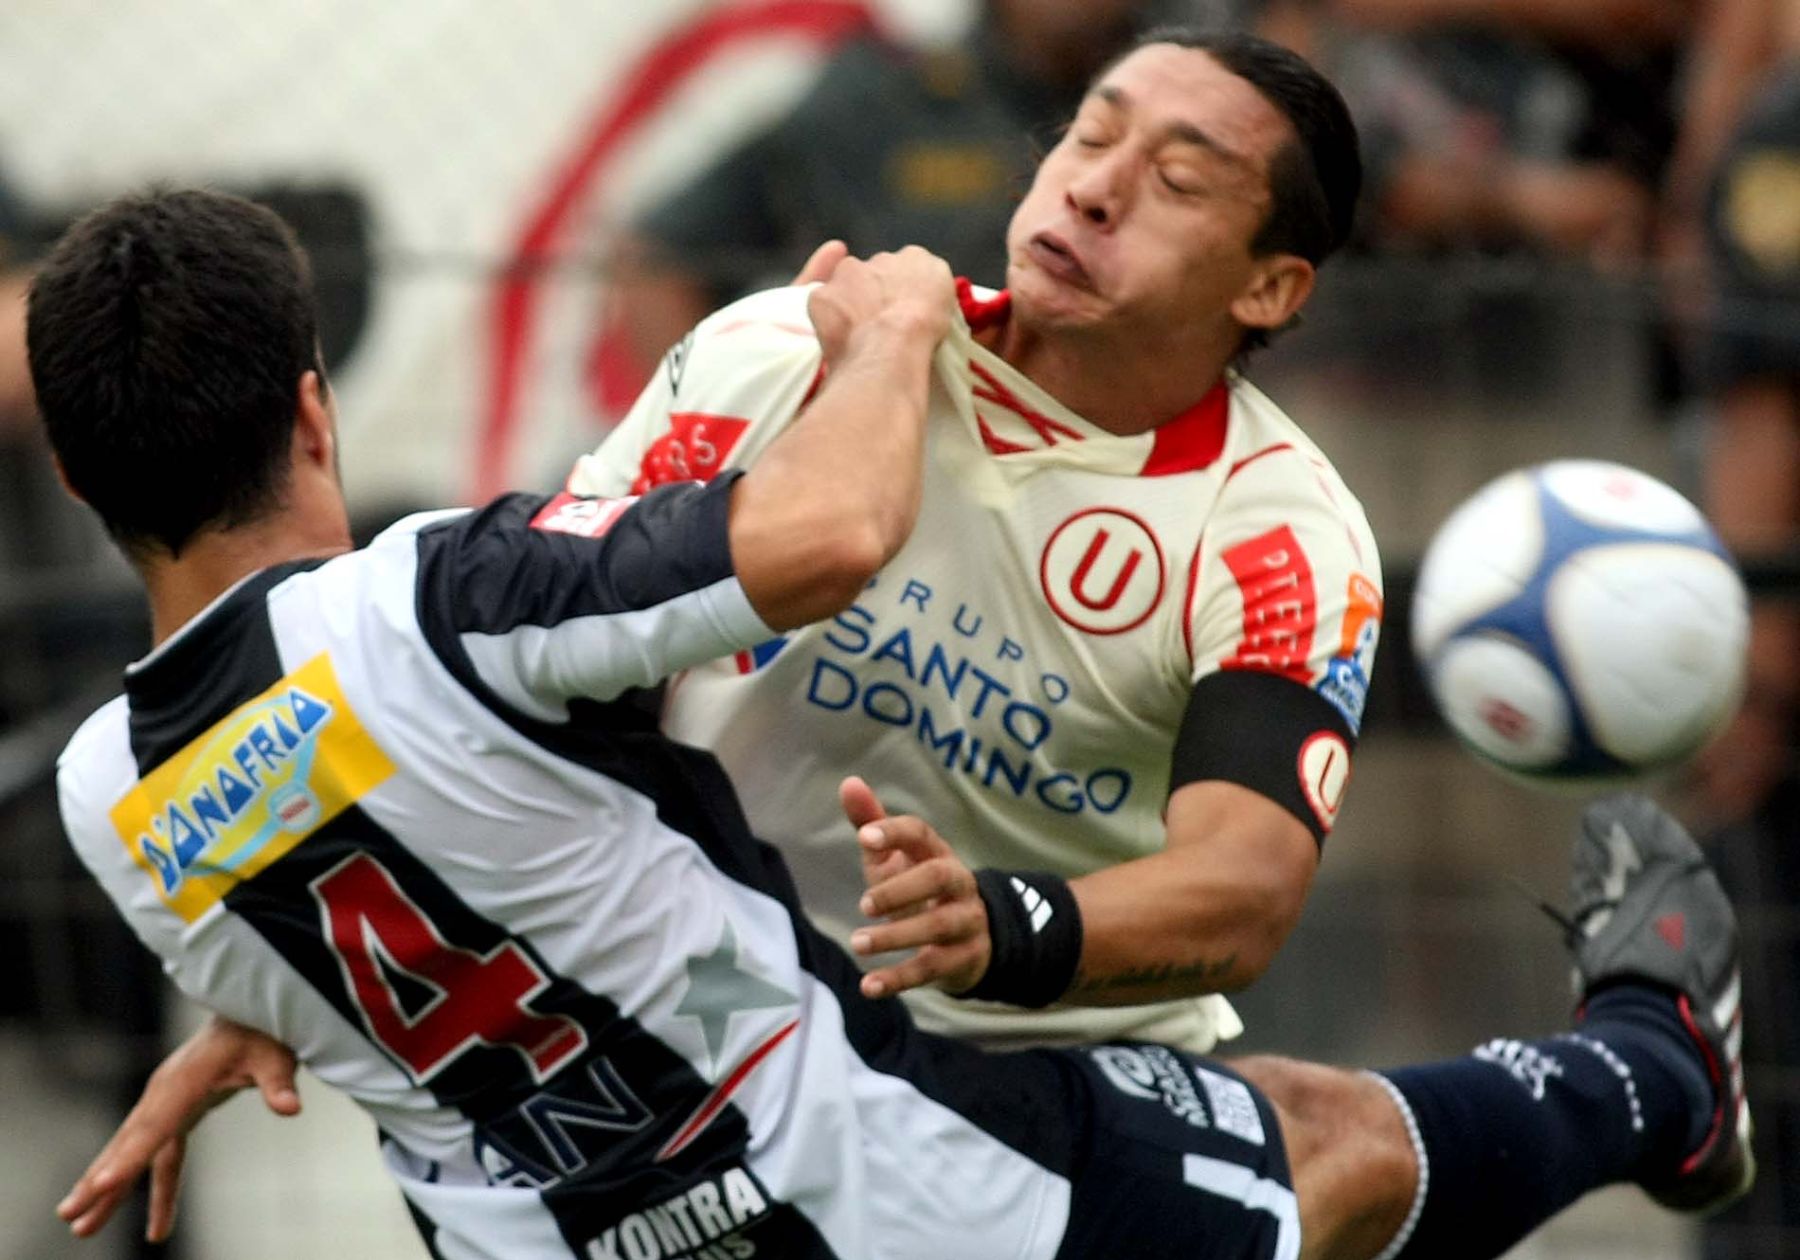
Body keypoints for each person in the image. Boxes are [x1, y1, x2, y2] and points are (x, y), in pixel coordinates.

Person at [36, 185, 1756, 1260]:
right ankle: (1655, 1073)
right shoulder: (433, 595)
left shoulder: (106, 796)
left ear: (75, 473)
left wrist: (280, 1007)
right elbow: (819, 540)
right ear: (315, 410)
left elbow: (386, 865)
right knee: (1325, 1153)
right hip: (862, 1181)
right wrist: (892, 337)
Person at [601, 0, 1154, 393]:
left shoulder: (1191, 108)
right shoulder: (885, 98)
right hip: (900, 438)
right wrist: (720, 425)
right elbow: (660, 257)